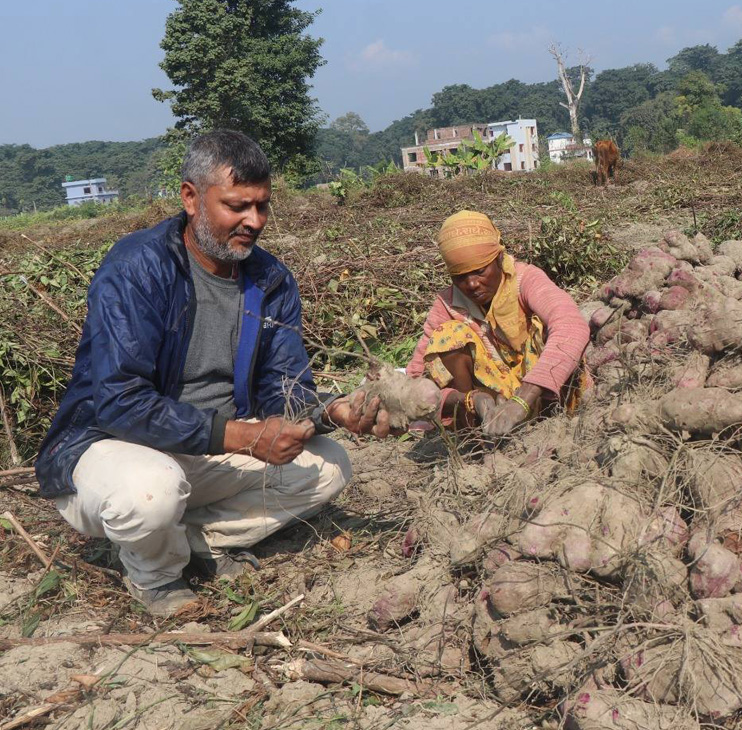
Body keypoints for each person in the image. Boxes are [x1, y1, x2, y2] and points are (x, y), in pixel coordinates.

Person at [34, 130, 393, 617]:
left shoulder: (270, 281)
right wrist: (240, 436)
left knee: (329, 466)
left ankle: (201, 541)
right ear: (190, 197)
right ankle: (155, 576)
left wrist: (331, 410)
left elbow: (282, 388)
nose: (254, 221)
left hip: (207, 449)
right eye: (237, 206)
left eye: (262, 207)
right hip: (109, 448)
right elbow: (119, 402)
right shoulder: (137, 268)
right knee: (150, 490)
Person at [405, 211, 591, 436]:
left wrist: (523, 400)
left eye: (480, 271)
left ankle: (550, 424)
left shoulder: (525, 280)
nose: (472, 284)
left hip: (548, 395)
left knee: (547, 329)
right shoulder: (447, 304)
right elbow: (415, 379)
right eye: (460, 277)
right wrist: (470, 400)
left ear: (498, 258)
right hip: (492, 411)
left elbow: (572, 325)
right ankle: (473, 439)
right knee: (449, 336)